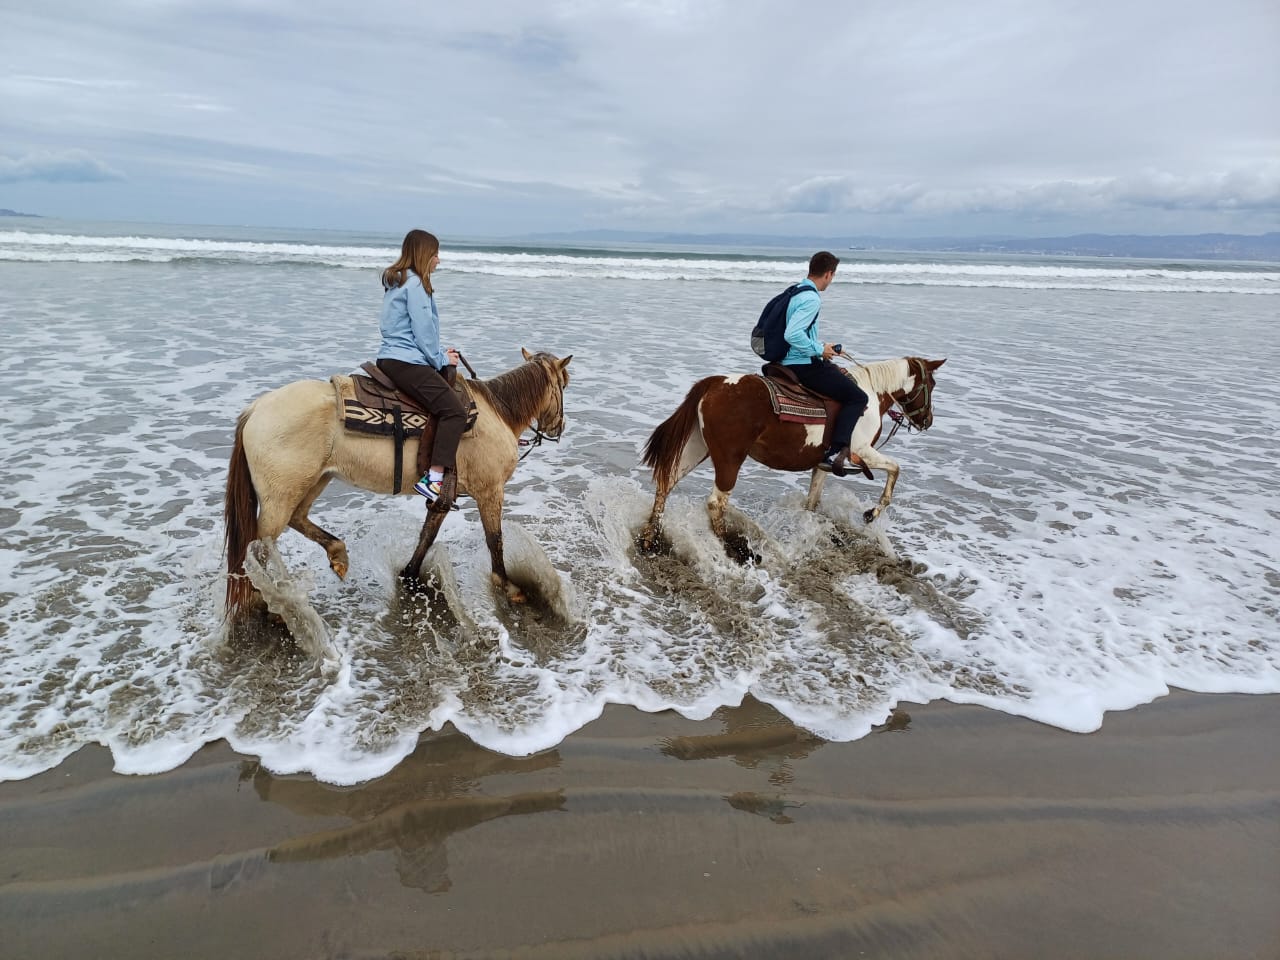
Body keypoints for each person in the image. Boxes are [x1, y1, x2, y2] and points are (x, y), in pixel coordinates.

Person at [375, 229, 467, 503]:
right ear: (425, 255)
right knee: (454, 412)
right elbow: (423, 331)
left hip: (392, 357)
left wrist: (439, 352)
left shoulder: (398, 281)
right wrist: (440, 358)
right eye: (436, 254)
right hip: (406, 361)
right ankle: (434, 478)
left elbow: (409, 331)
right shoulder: (416, 285)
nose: (439, 260)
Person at [780, 251, 868, 477]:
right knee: (858, 397)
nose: (832, 280)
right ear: (828, 274)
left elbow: (798, 333)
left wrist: (824, 347)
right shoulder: (811, 298)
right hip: (801, 364)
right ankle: (834, 453)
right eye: (833, 276)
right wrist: (819, 350)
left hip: (787, 359)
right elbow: (792, 334)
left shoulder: (797, 291)